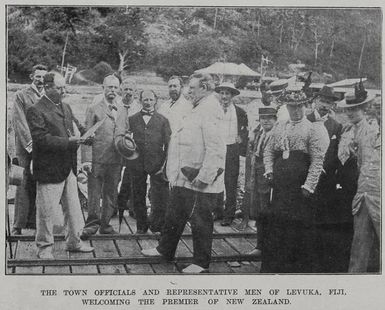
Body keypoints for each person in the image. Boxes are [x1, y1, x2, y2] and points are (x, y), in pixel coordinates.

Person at [141, 73, 226, 273]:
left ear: (204, 88)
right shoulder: (196, 107)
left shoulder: (211, 109)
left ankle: (201, 262)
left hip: (199, 178)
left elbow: (216, 148)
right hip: (184, 175)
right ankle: (165, 249)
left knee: (201, 220)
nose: (188, 92)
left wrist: (204, 177)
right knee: (174, 214)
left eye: (192, 88)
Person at [26, 72, 94, 259]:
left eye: (64, 87)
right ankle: (44, 248)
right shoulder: (35, 109)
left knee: (73, 210)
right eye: (59, 88)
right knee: (46, 212)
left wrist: (86, 137)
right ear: (47, 87)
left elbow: (75, 128)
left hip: (68, 169)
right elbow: (41, 140)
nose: (64, 91)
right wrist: (72, 142)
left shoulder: (65, 106)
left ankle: (74, 242)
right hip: (48, 169)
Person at [261, 91, 329, 273]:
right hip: (281, 186)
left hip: (300, 187)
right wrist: (269, 170)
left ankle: (295, 268)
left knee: (297, 227)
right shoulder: (279, 126)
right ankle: (276, 266)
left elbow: (317, 160)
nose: (296, 110)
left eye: (300, 106)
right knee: (278, 224)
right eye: (292, 106)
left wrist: (309, 185)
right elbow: (268, 151)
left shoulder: (312, 128)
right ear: (286, 107)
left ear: (305, 106)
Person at [337, 85, 380, 273]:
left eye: (355, 109)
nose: (351, 113)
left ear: (364, 109)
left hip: (367, 189)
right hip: (349, 189)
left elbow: (367, 163)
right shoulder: (345, 131)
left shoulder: (370, 131)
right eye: (348, 110)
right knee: (357, 241)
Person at [116, 90, 171, 233]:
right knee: (138, 195)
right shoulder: (132, 118)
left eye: (151, 99)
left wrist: (164, 164)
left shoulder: (163, 120)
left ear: (156, 101)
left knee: (158, 196)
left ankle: (157, 225)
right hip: (137, 163)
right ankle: (141, 226)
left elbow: (169, 144)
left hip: (157, 163)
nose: (148, 102)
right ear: (140, 101)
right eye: (145, 100)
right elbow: (126, 140)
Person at [307, 86, 348, 272]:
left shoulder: (336, 126)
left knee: (323, 220)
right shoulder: (304, 121)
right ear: (315, 101)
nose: (325, 105)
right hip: (306, 180)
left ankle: (320, 260)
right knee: (305, 217)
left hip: (327, 183)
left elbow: (338, 155)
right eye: (322, 101)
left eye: (329, 102)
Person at [81, 73, 124, 239]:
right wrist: (86, 160)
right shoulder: (94, 108)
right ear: (103, 89)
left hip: (115, 159)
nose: (112, 90)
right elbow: (86, 136)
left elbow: (124, 132)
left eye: (115, 87)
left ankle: (105, 225)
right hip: (97, 159)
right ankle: (92, 225)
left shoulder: (122, 110)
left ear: (118, 89)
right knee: (94, 193)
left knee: (111, 193)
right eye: (109, 87)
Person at [11, 64, 48, 235]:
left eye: (44, 77)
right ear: (31, 76)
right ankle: (18, 224)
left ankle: (34, 222)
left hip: (43, 147)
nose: (41, 80)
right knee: (24, 182)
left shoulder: (47, 96)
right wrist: (31, 146)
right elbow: (20, 123)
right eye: (38, 76)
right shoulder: (21, 96)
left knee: (40, 182)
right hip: (26, 148)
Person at [239, 106, 277, 257]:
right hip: (258, 181)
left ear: (275, 119)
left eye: (270, 118)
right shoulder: (258, 133)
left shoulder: (277, 134)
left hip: (271, 182)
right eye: (263, 118)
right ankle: (260, 246)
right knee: (260, 214)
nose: (266, 121)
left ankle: (270, 248)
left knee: (270, 215)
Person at [213, 82, 248, 226]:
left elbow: (245, 131)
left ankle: (229, 214)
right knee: (216, 179)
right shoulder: (214, 110)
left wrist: (241, 138)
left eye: (227, 93)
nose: (224, 96)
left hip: (232, 149)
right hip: (217, 149)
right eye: (222, 93)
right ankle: (218, 211)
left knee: (231, 181)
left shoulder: (240, 112)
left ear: (232, 96)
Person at [116, 78, 142, 218]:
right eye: (125, 89)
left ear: (135, 92)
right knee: (115, 175)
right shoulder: (115, 105)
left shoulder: (139, 107)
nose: (128, 92)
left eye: (130, 90)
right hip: (117, 146)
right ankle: (113, 206)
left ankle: (132, 206)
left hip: (133, 148)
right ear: (121, 91)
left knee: (133, 177)